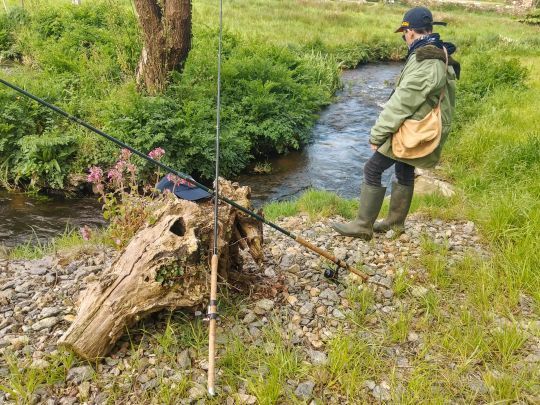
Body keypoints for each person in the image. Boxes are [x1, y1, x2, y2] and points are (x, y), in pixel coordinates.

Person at [332, 6, 460, 240]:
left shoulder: (426, 60)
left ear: (411, 32)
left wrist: (378, 134)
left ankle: (363, 225)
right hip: (417, 125)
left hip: (413, 127)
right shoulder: (435, 51)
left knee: (372, 168)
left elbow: (403, 101)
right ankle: (395, 223)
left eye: (404, 32)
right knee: (404, 168)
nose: (403, 37)